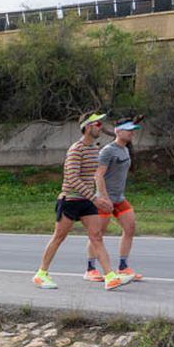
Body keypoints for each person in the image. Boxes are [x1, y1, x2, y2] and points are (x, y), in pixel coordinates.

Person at [32, 111, 133, 291]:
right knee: (59, 237)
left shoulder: (95, 149)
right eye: (97, 124)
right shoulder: (76, 149)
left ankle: (110, 276)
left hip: (87, 202)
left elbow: (95, 176)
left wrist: (98, 197)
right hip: (70, 200)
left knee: (97, 236)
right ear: (87, 127)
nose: (100, 127)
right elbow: (72, 178)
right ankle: (41, 274)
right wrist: (96, 198)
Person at [85, 118, 143, 281]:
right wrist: (104, 198)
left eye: (133, 130)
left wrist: (115, 198)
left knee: (130, 227)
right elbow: (98, 175)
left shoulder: (125, 150)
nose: (132, 133)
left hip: (119, 199)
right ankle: (90, 269)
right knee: (97, 234)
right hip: (104, 200)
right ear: (118, 131)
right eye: (128, 130)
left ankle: (123, 267)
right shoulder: (108, 151)